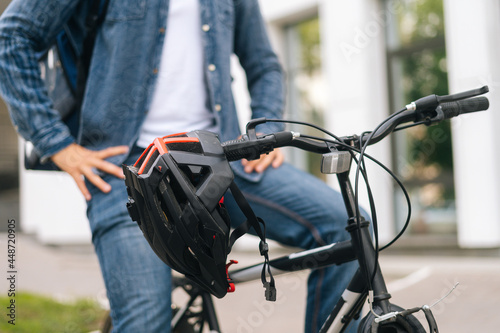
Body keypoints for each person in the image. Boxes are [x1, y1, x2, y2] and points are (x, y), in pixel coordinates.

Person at [0, 0, 359, 332]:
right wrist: (57, 144)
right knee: (144, 321)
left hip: (221, 158)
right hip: (128, 172)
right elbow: (13, 36)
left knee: (347, 226)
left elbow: (264, 63)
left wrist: (265, 132)